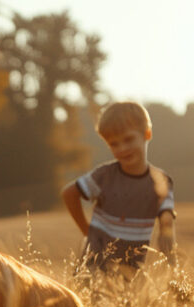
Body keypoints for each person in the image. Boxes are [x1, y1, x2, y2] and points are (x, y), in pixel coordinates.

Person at [61, 101, 176, 274]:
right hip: (94, 269)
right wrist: (87, 231)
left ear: (147, 134)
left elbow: (166, 216)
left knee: (127, 301)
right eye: (114, 144)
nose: (122, 148)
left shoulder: (160, 180)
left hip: (130, 272)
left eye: (128, 139)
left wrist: (167, 240)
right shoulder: (105, 176)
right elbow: (69, 193)